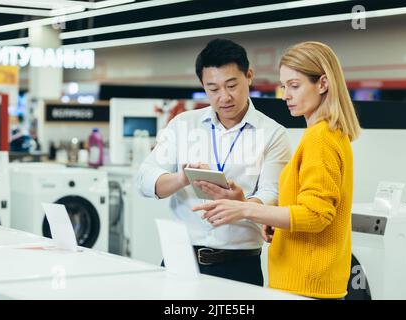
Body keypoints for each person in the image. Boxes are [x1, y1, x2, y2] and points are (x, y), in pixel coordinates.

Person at [193, 41, 361, 299]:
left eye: (295, 86)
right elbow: (309, 206)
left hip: (305, 284)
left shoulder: (320, 138)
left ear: (323, 84)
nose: (287, 95)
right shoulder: (331, 134)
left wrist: (246, 208)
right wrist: (272, 219)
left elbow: (316, 215)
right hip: (314, 281)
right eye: (284, 87)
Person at [136, 38, 292, 286]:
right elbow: (144, 179)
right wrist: (182, 178)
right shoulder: (183, 125)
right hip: (180, 259)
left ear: (249, 76)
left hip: (240, 265)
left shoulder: (273, 133)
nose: (224, 97)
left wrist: (241, 203)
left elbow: (273, 194)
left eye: (232, 85)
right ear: (203, 85)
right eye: (213, 88)